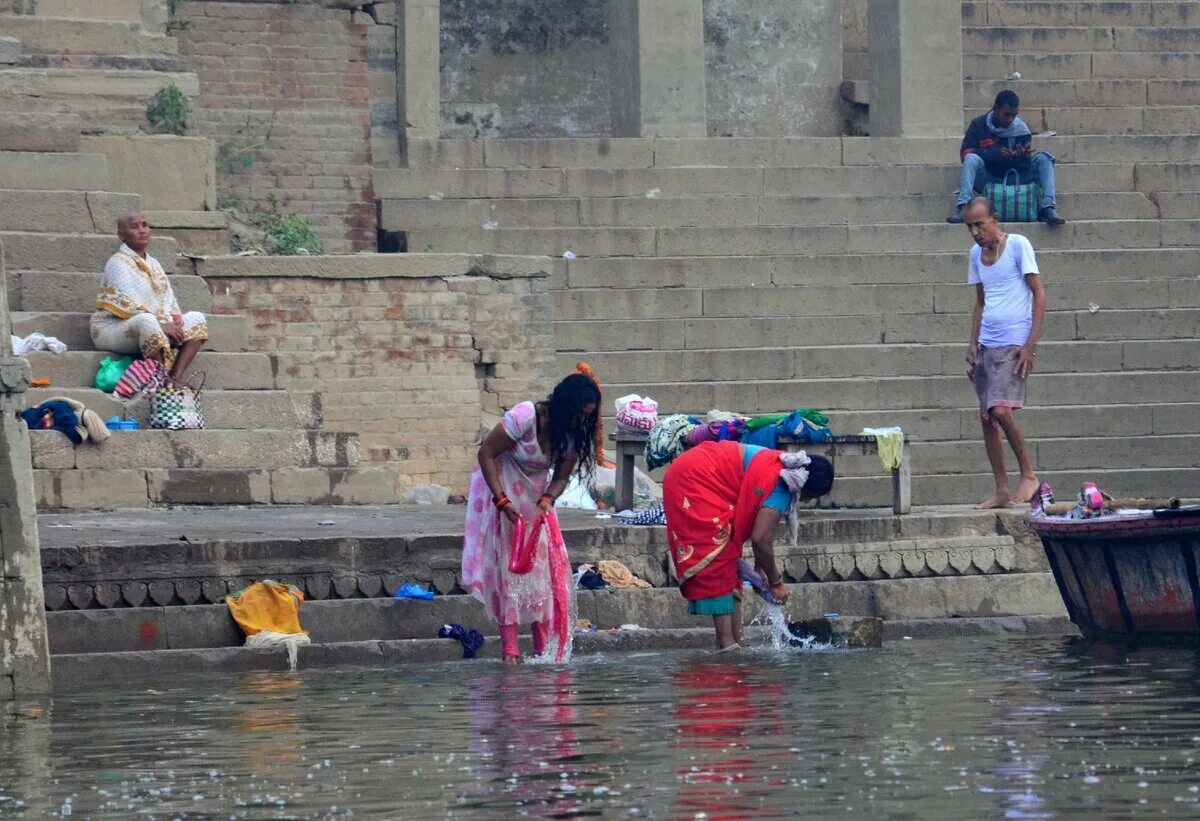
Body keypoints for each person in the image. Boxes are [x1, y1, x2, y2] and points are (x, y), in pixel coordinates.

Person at [462, 371, 601, 663]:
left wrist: (549, 498)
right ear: (564, 406)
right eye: (578, 415)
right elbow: (486, 453)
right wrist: (501, 500)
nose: (581, 422)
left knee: (542, 577)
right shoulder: (526, 416)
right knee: (507, 571)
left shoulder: (571, 435)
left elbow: (561, 478)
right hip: (503, 499)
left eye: (587, 417)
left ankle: (542, 651)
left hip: (536, 506)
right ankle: (510, 651)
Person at [662, 440, 835, 651]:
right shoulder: (783, 484)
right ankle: (726, 646)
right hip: (695, 478)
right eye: (811, 498)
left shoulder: (780, 468)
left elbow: (755, 519)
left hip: (694, 470)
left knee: (729, 555)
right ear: (807, 490)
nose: (806, 502)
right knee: (720, 556)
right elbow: (761, 538)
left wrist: (760, 569)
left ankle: (738, 643)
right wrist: (775, 581)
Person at [962, 196, 1046, 509]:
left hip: (1013, 342)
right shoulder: (974, 254)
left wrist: (1030, 346)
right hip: (987, 344)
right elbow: (980, 302)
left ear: (994, 219)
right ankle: (1001, 489)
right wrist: (972, 342)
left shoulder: (1019, 245)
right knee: (987, 417)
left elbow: (1039, 295)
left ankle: (1028, 475)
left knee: (1000, 409)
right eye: (969, 226)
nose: (974, 232)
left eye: (979, 224)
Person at [91, 214, 208, 383]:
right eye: (135, 226)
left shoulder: (154, 264)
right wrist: (161, 325)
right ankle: (159, 380)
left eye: (145, 225)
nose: (142, 231)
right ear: (121, 235)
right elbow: (127, 306)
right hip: (112, 328)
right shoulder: (117, 262)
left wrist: (174, 321)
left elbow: (169, 299)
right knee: (147, 321)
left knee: (197, 318)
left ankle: (173, 378)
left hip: (157, 325)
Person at [947, 90, 1065, 226]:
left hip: (1017, 179)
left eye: (1014, 115)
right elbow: (965, 154)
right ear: (996, 108)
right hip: (990, 178)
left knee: (1044, 158)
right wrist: (994, 154)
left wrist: (1021, 157)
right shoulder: (979, 125)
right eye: (1006, 114)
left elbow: (1024, 167)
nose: (1010, 119)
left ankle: (1048, 208)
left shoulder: (1021, 130)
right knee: (971, 158)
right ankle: (963, 208)